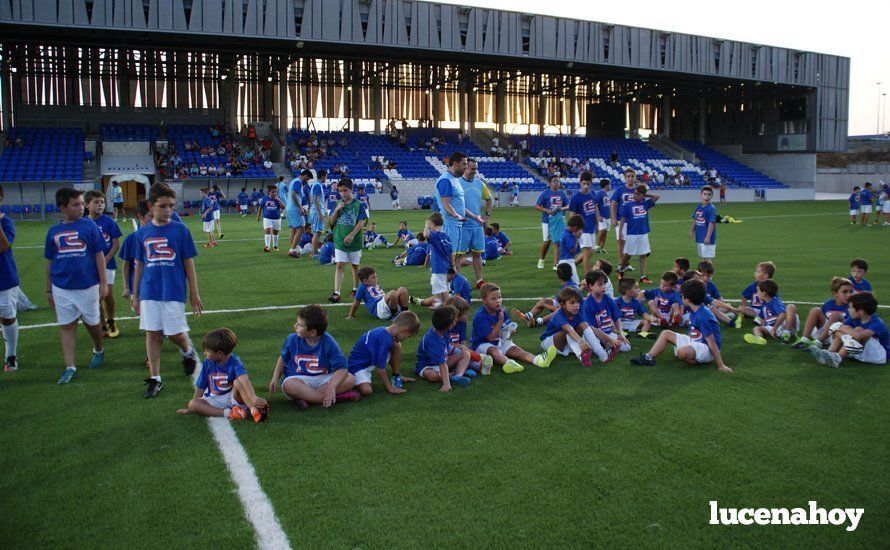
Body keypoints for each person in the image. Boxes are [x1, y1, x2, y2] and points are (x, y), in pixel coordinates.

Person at [131, 184, 202, 398]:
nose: (168, 210)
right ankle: (155, 378)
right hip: (149, 290)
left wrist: (194, 293)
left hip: (173, 290)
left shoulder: (180, 230)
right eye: (163, 206)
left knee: (174, 334)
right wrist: (135, 294)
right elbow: (140, 265)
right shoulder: (142, 233)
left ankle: (187, 351)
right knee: (152, 333)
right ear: (151, 206)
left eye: (171, 206)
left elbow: (188, 263)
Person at [45, 188, 108, 385]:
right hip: (61, 287)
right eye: (76, 204)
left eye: (82, 204)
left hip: (87, 285)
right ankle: (70, 366)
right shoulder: (53, 231)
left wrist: (103, 282)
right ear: (63, 207)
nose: (81, 208)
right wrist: (49, 290)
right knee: (67, 326)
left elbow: (99, 255)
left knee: (93, 323)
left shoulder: (89, 227)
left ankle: (98, 349)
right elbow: (49, 262)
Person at [268, 304, 360, 409]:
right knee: (288, 385)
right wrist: (275, 378)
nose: (295, 326)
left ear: (312, 332)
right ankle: (332, 398)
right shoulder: (291, 339)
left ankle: (308, 398)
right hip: (299, 379)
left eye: (299, 324)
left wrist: (332, 386)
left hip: (324, 379)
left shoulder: (328, 341)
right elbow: (283, 359)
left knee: (350, 379)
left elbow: (342, 368)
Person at [631, 279, 732, 372]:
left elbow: (712, 342)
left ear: (688, 299)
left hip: (707, 349)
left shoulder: (702, 316)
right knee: (666, 333)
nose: (681, 297)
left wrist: (721, 365)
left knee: (681, 353)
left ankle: (696, 360)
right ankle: (648, 357)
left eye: (682, 295)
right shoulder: (697, 309)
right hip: (696, 341)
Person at [177, 328, 269, 422]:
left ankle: (253, 409)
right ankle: (231, 413)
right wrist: (192, 408)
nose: (204, 353)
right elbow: (201, 386)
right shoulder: (208, 363)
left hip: (233, 397)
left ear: (220, 354)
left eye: (207, 351)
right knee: (193, 403)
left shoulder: (235, 362)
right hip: (214, 399)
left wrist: (253, 397)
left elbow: (244, 380)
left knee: (237, 382)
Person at [471, 283, 557, 373]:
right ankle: (508, 363)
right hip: (483, 344)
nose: (498, 301)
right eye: (493, 298)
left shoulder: (502, 311)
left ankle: (539, 360)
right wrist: (500, 321)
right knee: (494, 351)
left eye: (499, 297)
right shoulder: (480, 316)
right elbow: (490, 338)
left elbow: (504, 330)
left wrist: (509, 331)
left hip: (500, 340)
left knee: (517, 350)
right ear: (484, 300)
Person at [348, 311, 420, 396]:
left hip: (367, 361)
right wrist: (390, 387)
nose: (406, 339)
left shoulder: (386, 332)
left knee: (396, 345)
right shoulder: (384, 339)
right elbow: (380, 369)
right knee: (367, 391)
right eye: (408, 336)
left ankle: (396, 376)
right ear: (404, 330)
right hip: (358, 366)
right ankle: (345, 389)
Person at [811, 292, 887, 367]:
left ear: (861, 312)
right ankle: (829, 354)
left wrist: (841, 327)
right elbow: (836, 331)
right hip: (859, 349)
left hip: (877, 355)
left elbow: (859, 336)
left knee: (857, 329)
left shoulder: (877, 322)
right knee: (848, 329)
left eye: (851, 308)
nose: (848, 310)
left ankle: (838, 358)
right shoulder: (854, 318)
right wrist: (844, 336)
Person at [85, 190, 123, 339]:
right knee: (96, 297)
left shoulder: (108, 221)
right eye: (96, 202)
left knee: (107, 294)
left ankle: (111, 320)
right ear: (87, 205)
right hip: (90, 267)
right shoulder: (84, 223)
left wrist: (105, 259)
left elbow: (115, 243)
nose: (100, 205)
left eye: (102, 202)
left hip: (108, 264)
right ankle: (101, 324)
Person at [541, 286, 608, 366]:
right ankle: (581, 355)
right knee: (568, 331)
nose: (576, 305)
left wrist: (608, 339)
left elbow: (586, 327)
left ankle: (600, 351)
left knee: (583, 324)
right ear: (563, 305)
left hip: (567, 340)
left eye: (578, 302)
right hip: (550, 342)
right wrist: (581, 341)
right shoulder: (558, 315)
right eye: (572, 303)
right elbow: (569, 330)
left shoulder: (579, 310)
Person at [414, 305, 472, 391]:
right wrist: (446, 384)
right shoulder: (432, 341)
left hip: (444, 362)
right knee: (432, 376)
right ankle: (454, 374)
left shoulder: (444, 330)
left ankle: (458, 376)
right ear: (450, 325)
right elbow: (442, 364)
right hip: (428, 366)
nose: (456, 321)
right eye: (454, 320)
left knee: (465, 353)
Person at [328, 178, 368, 304]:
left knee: (355, 266)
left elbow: (361, 222)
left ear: (351, 190)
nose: (343, 193)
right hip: (339, 240)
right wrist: (336, 210)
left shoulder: (359, 205)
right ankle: (337, 293)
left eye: (345, 190)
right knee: (340, 265)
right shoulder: (337, 204)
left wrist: (351, 235)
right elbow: (330, 223)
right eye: (340, 191)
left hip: (354, 242)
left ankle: (356, 288)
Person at [457, 159, 492, 288]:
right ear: (465, 168)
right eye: (472, 169)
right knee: (458, 255)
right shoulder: (458, 184)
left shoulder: (480, 184)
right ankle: (457, 281)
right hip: (463, 226)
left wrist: (486, 215)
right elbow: (458, 205)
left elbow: (489, 199)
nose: (474, 171)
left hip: (477, 226)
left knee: (477, 254)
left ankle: (479, 281)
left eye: (476, 169)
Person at [581, 270, 630, 362]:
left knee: (626, 347)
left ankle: (608, 346)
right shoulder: (587, 304)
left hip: (608, 332)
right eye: (600, 284)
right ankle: (603, 349)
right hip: (595, 335)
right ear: (591, 286)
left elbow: (616, 318)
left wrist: (620, 333)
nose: (604, 287)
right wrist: (610, 340)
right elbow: (592, 329)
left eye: (604, 283)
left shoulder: (608, 299)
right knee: (592, 342)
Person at [792, 277, 854, 349]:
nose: (849, 295)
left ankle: (818, 343)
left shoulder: (852, 307)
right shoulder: (828, 304)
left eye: (851, 292)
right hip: (825, 332)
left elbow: (850, 325)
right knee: (815, 310)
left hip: (838, 335)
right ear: (835, 294)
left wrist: (837, 318)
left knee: (834, 315)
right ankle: (804, 340)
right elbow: (824, 320)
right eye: (845, 292)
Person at [511, 263, 577, 328]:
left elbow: (560, 308)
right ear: (571, 274)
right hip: (566, 307)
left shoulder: (567, 290)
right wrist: (545, 302)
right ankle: (528, 317)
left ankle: (537, 322)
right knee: (544, 301)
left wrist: (545, 305)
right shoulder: (570, 284)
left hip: (570, 312)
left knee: (558, 311)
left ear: (559, 277)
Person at [617, 184, 659, 283]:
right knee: (628, 254)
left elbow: (657, 197)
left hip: (643, 233)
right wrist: (620, 232)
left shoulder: (645, 204)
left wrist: (645, 194)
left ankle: (643, 276)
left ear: (643, 195)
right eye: (634, 194)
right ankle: (621, 269)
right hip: (632, 233)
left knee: (643, 254)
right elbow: (623, 219)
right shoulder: (628, 205)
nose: (635, 196)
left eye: (638, 194)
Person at [0, 185, 21, 372]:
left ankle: (10, 355)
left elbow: (3, 247)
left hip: (4, 278)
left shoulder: (6, 223)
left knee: (7, 317)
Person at [444, 296, 492, 375]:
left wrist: (464, 348)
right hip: (447, 354)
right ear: (457, 315)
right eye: (466, 314)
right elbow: (446, 345)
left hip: (458, 351)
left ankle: (477, 366)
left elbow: (463, 340)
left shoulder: (462, 324)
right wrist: (461, 348)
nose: (468, 314)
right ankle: (478, 360)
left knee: (466, 353)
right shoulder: (446, 325)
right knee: (464, 353)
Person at [434, 151, 468, 265]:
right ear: (455, 164)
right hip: (450, 224)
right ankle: (446, 282)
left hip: (457, 224)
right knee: (449, 256)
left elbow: (459, 203)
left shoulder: (455, 179)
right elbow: (446, 204)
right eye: (464, 164)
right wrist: (456, 215)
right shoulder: (446, 180)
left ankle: (455, 281)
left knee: (457, 256)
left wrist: (473, 216)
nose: (466, 167)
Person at [743, 280, 799, 345]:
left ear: (764, 293)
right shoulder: (764, 303)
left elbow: (783, 314)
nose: (757, 293)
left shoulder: (775, 302)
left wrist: (775, 328)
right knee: (756, 328)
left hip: (784, 325)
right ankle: (759, 339)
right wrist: (763, 326)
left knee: (790, 307)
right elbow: (763, 318)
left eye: (758, 291)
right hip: (772, 328)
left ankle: (786, 334)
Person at [119, 200, 151, 302]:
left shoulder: (160, 236)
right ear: (140, 216)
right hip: (138, 288)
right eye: (151, 216)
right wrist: (127, 287)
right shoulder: (131, 239)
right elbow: (126, 264)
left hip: (158, 287)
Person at [534, 176, 568, 270]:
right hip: (547, 220)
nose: (557, 182)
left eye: (558, 181)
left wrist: (563, 208)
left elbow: (567, 205)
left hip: (559, 219)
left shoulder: (562, 193)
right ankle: (541, 259)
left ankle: (556, 264)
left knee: (558, 241)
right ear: (550, 183)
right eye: (554, 181)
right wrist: (547, 210)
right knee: (547, 241)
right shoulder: (545, 193)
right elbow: (537, 206)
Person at [568, 171, 599, 274]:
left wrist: (597, 224)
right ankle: (588, 278)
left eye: (588, 184)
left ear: (591, 183)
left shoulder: (593, 194)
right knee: (587, 254)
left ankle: (571, 266)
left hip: (591, 228)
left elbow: (594, 209)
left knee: (590, 253)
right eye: (584, 183)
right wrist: (573, 230)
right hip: (582, 230)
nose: (586, 186)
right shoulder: (576, 198)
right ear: (580, 183)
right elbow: (572, 215)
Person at [422, 212, 453, 306]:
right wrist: (452, 266)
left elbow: (425, 235)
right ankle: (439, 304)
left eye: (430, 223)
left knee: (442, 290)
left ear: (433, 224)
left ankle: (451, 308)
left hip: (438, 268)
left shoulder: (435, 235)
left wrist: (426, 226)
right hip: (446, 267)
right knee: (440, 288)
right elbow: (451, 253)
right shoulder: (446, 236)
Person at [610, 168, 638, 267]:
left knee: (631, 243)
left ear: (635, 177)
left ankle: (626, 263)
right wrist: (613, 218)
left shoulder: (637, 190)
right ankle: (620, 263)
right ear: (625, 178)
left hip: (633, 221)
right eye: (628, 176)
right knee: (621, 242)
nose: (630, 178)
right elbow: (613, 203)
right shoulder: (620, 190)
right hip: (620, 219)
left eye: (632, 176)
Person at [287, 170, 312, 257]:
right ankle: (293, 249)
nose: (307, 180)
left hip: (289, 208)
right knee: (301, 228)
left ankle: (293, 248)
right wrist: (300, 207)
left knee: (293, 229)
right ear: (305, 175)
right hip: (294, 209)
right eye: (307, 178)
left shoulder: (294, 181)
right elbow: (293, 194)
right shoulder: (298, 182)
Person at [690, 186, 717, 261]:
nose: (706, 196)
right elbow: (695, 219)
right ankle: (703, 272)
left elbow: (712, 223)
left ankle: (708, 273)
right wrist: (692, 231)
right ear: (701, 195)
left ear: (712, 196)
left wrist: (708, 237)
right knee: (703, 257)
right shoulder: (699, 207)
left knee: (707, 259)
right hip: (700, 237)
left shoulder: (711, 208)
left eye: (709, 194)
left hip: (707, 237)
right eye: (704, 194)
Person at [555, 214, 583, 284]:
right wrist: (577, 238)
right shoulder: (568, 236)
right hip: (568, 262)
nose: (578, 231)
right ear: (575, 227)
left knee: (566, 284)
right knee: (576, 283)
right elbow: (572, 251)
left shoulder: (564, 232)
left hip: (563, 260)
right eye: (578, 229)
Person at [257, 185, 285, 252]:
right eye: (273, 192)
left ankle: (275, 246)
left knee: (275, 233)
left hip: (277, 218)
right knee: (268, 230)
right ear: (269, 192)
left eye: (275, 192)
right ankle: (267, 246)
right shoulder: (265, 198)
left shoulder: (278, 198)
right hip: (267, 218)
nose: (274, 193)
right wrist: (258, 215)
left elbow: (283, 207)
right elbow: (260, 207)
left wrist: (279, 200)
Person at [309, 169, 328, 256]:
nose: (326, 178)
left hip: (316, 211)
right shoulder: (317, 185)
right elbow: (316, 200)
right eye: (326, 176)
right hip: (317, 212)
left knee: (318, 232)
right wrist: (320, 213)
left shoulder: (317, 185)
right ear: (323, 176)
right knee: (318, 233)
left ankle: (314, 252)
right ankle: (314, 253)